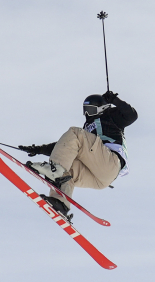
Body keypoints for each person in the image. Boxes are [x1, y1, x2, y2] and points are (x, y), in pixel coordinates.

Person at [15, 91, 137, 222]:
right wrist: (38, 149)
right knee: (67, 169)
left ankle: (54, 170)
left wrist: (114, 100)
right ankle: (60, 203)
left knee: (74, 133)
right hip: (99, 178)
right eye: (85, 110)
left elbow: (132, 115)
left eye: (90, 109)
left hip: (111, 162)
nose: (87, 114)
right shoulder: (87, 131)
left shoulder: (110, 115)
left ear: (101, 108)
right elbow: (65, 147)